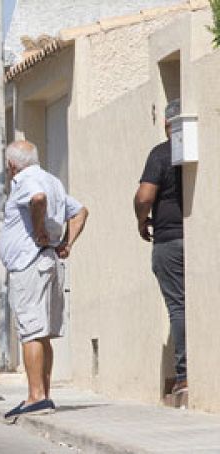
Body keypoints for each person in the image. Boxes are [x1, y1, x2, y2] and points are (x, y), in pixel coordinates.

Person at [0, 140, 88, 420]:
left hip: (30, 263)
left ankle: (35, 396)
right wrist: (66, 243)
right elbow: (80, 211)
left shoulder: (28, 180)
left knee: (30, 330)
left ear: (13, 164)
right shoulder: (52, 179)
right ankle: (43, 395)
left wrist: (38, 231)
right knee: (41, 331)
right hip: (46, 259)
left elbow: (38, 199)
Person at [134, 99, 186, 395]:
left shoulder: (161, 153)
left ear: (166, 124)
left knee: (178, 306)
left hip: (169, 239)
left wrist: (142, 221)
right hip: (193, 237)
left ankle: (184, 375)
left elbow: (144, 197)